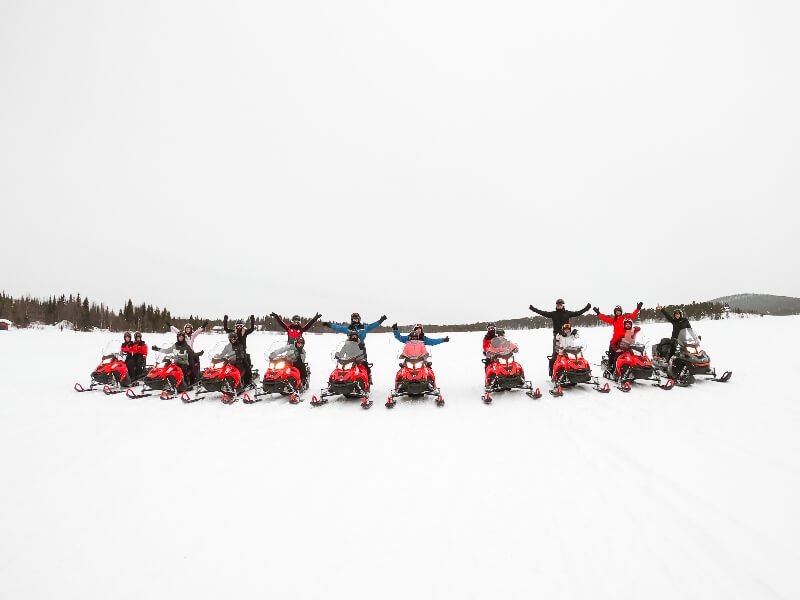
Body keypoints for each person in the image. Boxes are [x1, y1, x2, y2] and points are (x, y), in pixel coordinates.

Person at [530, 299, 592, 375]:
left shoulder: (567, 313)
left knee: (571, 353)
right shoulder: (553, 314)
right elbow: (543, 313)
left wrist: (586, 308)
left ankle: (572, 371)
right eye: (558, 305)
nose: (559, 306)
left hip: (567, 336)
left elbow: (578, 313)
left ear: (563, 305)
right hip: (557, 337)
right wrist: (533, 309)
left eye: (560, 304)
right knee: (555, 355)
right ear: (556, 305)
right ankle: (552, 372)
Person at [322, 312, 387, 383]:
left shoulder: (364, 327)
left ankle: (368, 377)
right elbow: (338, 327)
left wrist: (380, 321)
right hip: (349, 348)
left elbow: (373, 325)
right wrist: (329, 325)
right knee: (345, 364)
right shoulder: (348, 328)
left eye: (357, 319)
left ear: (359, 319)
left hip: (360, 347)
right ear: (352, 319)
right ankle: (341, 379)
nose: (355, 320)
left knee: (364, 364)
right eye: (354, 319)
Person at [594, 302, 642, 370]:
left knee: (630, 353)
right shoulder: (614, 319)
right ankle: (611, 367)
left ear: (621, 312)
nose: (618, 313)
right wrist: (598, 313)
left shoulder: (624, 318)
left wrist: (638, 309)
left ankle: (631, 367)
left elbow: (632, 316)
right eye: (617, 311)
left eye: (619, 311)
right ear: (615, 312)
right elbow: (605, 319)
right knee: (614, 355)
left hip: (625, 340)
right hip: (615, 341)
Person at [224, 314, 256, 384]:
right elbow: (226, 329)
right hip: (233, 352)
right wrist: (225, 320)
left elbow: (252, 329)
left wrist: (252, 320)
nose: (239, 327)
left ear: (243, 326)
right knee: (228, 365)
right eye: (237, 326)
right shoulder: (233, 332)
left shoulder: (245, 332)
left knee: (246, 366)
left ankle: (249, 379)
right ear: (235, 326)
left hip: (242, 352)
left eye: (240, 326)